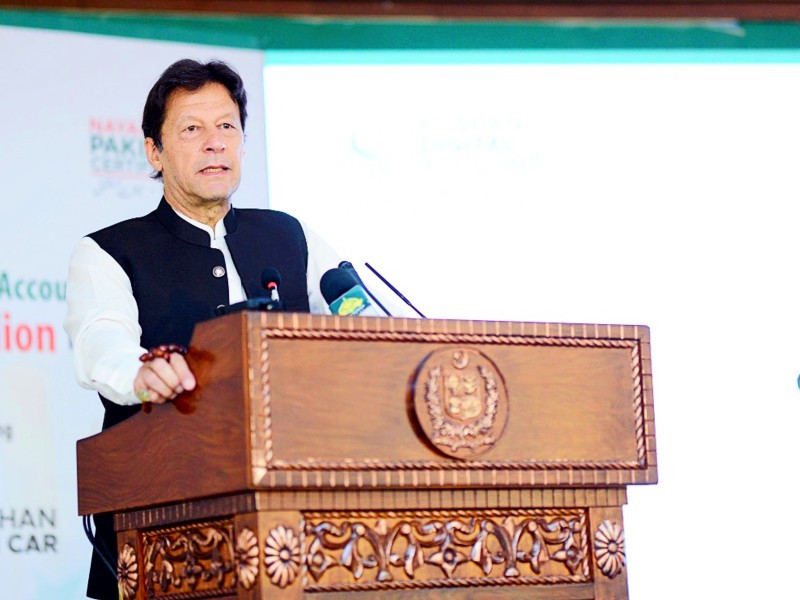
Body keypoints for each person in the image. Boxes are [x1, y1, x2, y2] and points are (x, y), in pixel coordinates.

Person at [64, 59, 341, 600]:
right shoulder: (109, 251)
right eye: (192, 129)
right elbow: (102, 342)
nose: (215, 143)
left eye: (227, 127)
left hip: (296, 524)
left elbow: (359, 323)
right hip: (160, 527)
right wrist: (145, 375)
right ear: (154, 151)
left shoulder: (291, 235)